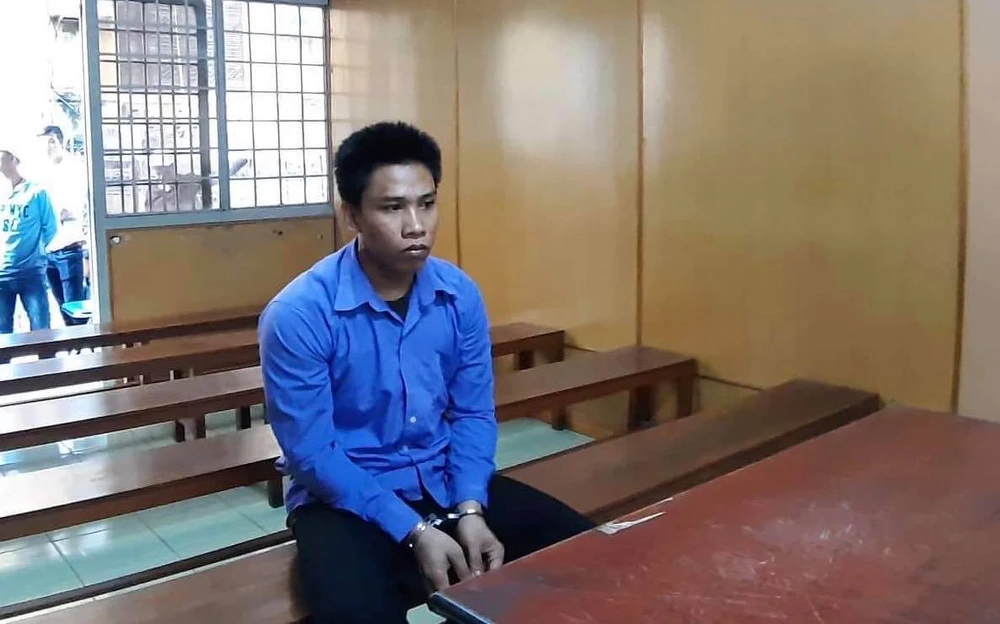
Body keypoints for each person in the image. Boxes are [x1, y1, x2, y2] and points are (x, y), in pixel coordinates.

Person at [259, 121, 594, 624]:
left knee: (589, 558)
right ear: (351, 215)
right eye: (393, 207)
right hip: (343, 496)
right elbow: (313, 455)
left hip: (443, 478)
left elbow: (473, 412)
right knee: (354, 613)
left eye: (427, 203)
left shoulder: (459, 295)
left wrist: (471, 507)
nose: (416, 225)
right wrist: (415, 531)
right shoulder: (299, 314)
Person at [0, 146, 56, 334]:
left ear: (13, 159)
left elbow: (50, 227)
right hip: (2, 272)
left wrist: (36, 251)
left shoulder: (36, 192)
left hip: (31, 271)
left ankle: (45, 356)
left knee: (41, 328)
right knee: (2, 332)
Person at [38, 125, 89, 326]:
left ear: (57, 141)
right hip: (48, 247)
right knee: (62, 307)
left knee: (75, 307)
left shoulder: (74, 166)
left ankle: (83, 341)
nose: (45, 147)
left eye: (49, 142)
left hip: (69, 246)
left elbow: (73, 206)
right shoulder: (41, 170)